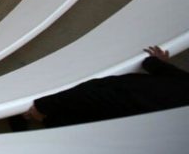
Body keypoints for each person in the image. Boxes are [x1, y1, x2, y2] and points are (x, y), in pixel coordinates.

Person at [13, 46, 189, 130]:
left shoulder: (176, 91)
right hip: (110, 102)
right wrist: (43, 106)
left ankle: (38, 116)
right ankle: (37, 115)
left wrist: (155, 63)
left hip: (110, 108)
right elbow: (96, 93)